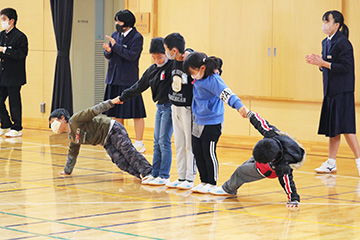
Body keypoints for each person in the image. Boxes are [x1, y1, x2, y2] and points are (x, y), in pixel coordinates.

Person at [210, 110, 305, 209]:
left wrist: (293, 198)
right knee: (245, 166)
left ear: (271, 159)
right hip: (278, 150)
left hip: (270, 170)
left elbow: (287, 181)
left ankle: (228, 189)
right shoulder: (271, 134)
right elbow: (261, 124)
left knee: (241, 171)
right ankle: (233, 186)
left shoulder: (282, 166)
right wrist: (250, 114)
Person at [183, 52, 248, 194]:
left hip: (212, 122)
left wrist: (240, 107)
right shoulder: (197, 79)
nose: (191, 75)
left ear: (202, 68)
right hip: (198, 120)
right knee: (198, 151)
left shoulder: (214, 80)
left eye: (193, 71)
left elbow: (227, 94)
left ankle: (212, 183)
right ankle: (204, 181)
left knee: (208, 151)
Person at [305, 10, 360, 175]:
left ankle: (359, 161)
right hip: (330, 90)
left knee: (347, 128)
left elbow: (346, 68)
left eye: (327, 22)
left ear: (337, 24)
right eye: (323, 21)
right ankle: (331, 162)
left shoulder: (343, 43)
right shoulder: (325, 42)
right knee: (333, 128)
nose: (324, 25)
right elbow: (329, 65)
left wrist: (324, 63)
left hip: (343, 91)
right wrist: (320, 64)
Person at [49, 97, 152, 181]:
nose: (52, 126)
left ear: (62, 118)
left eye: (53, 121)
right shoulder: (72, 137)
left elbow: (94, 110)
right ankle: (141, 175)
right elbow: (72, 154)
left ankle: (149, 172)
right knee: (119, 161)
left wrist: (112, 102)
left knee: (127, 151)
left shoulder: (75, 120)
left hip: (112, 129)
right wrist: (67, 171)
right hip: (105, 141)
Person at [119, 37, 174, 186]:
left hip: (171, 107)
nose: (158, 60)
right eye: (154, 57)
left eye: (160, 57)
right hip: (160, 107)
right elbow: (139, 86)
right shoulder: (152, 70)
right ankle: (155, 173)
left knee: (164, 141)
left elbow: (186, 58)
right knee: (156, 142)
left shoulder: (173, 66)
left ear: (167, 54)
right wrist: (122, 97)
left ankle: (164, 175)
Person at [103, 9, 146, 152]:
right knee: (116, 112)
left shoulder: (137, 37)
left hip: (129, 80)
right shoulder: (115, 35)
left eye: (119, 21)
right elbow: (111, 55)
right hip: (114, 78)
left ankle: (139, 142)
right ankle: (121, 141)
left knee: (136, 113)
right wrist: (108, 51)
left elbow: (131, 56)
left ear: (126, 23)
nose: (117, 24)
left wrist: (115, 46)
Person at [163, 33, 196, 190]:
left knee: (190, 143)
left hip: (187, 108)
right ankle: (181, 176)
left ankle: (190, 177)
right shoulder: (172, 62)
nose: (166, 53)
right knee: (179, 143)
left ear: (174, 50)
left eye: (167, 50)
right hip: (174, 106)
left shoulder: (190, 61)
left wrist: (189, 51)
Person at [0, 8, 28, 137]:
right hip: (2, 74)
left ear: (12, 21)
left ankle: (17, 127)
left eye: (4, 19)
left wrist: (5, 50)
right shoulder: (1, 35)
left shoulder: (20, 37)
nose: (2, 21)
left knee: (14, 101)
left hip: (14, 75)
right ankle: (5, 124)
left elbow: (21, 54)